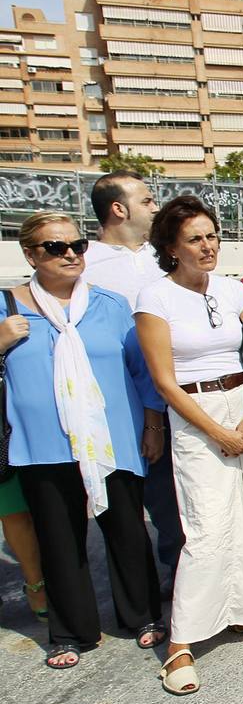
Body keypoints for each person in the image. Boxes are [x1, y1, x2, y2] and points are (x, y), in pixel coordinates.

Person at [136, 196, 243, 694]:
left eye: (212, 235)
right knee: (207, 527)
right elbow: (165, 383)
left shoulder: (233, 291)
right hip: (196, 417)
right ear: (171, 246)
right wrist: (218, 431)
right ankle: (180, 646)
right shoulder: (155, 299)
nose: (207, 245)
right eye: (195, 238)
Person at [5, 212, 166, 669]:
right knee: (59, 538)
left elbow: (142, 369)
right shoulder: (7, 307)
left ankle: (141, 615)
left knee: (128, 531)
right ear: (30, 254)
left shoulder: (110, 305)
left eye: (77, 245)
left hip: (112, 439)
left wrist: (152, 425)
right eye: (56, 247)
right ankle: (70, 631)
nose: (71, 254)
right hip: (43, 443)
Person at [81, 171, 185, 590]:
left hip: (174, 396)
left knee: (175, 497)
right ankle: (145, 590)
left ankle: (184, 576)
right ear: (118, 209)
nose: (155, 207)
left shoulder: (161, 258)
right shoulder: (85, 264)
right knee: (128, 501)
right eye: (146, 200)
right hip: (116, 403)